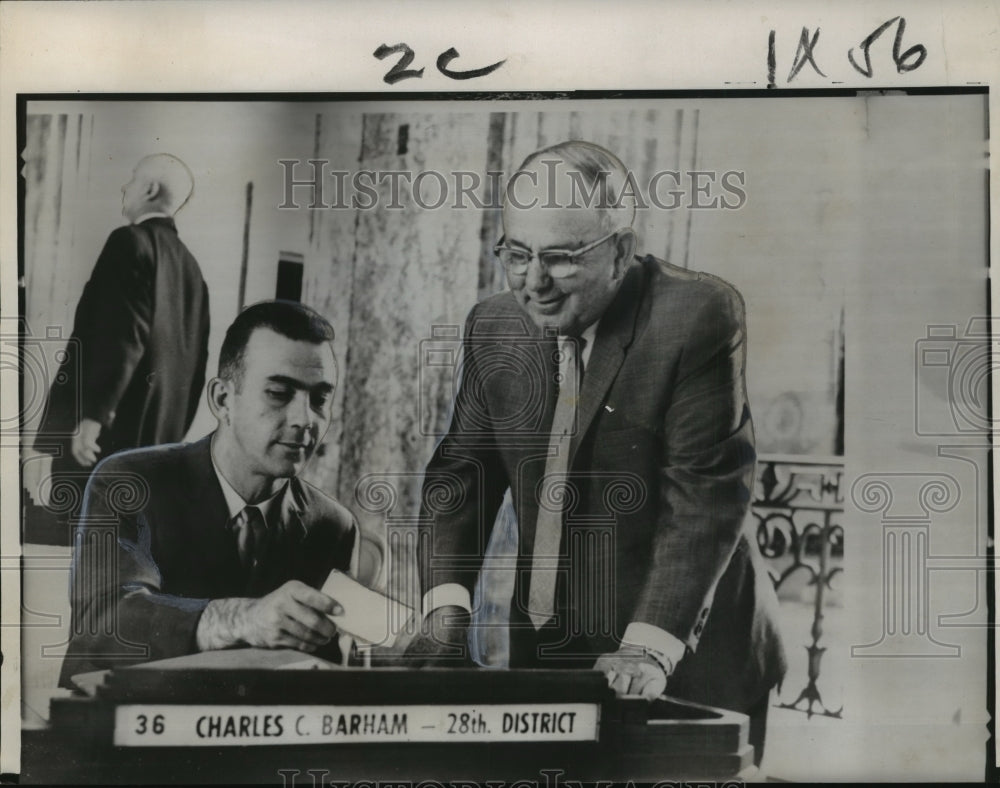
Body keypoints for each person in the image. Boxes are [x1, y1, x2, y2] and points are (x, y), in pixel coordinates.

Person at [409, 141, 786, 764]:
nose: (534, 282)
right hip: (552, 651)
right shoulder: (494, 325)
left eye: (560, 259)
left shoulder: (697, 316)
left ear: (620, 250)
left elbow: (704, 499)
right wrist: (445, 606)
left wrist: (648, 647)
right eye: (517, 254)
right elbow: (462, 476)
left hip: (685, 647)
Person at [58, 301, 359, 687]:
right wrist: (242, 619)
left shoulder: (332, 525)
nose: (305, 419)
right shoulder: (127, 482)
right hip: (113, 731)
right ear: (221, 400)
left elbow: (323, 677)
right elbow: (106, 618)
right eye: (279, 393)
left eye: (320, 399)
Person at [34, 153, 210, 524]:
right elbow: (196, 373)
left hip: (103, 441)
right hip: (155, 451)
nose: (124, 187)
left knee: (79, 546)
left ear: (149, 189)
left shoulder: (129, 242)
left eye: (131, 179)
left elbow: (121, 338)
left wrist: (94, 418)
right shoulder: (193, 270)